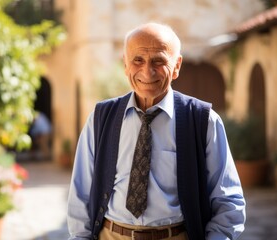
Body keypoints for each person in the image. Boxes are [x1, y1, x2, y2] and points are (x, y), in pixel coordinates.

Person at [67, 23, 245, 240]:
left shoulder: (203, 120)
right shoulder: (101, 117)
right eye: (137, 60)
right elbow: (80, 193)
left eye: (159, 61)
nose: (147, 71)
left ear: (177, 65)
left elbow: (229, 201)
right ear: (125, 64)